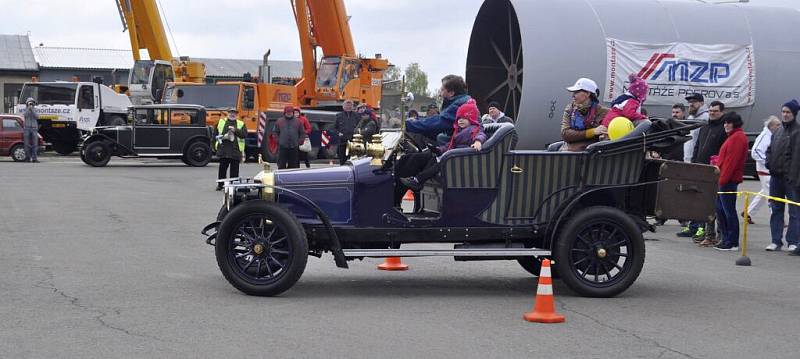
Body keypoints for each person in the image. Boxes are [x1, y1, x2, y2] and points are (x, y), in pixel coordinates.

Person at [399, 99, 486, 191]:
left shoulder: (475, 129)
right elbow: (451, 145)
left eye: (464, 118)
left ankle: (418, 180)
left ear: (471, 119)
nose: (460, 121)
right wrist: (439, 149)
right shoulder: (458, 131)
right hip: (454, 156)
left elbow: (481, 135)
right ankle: (418, 181)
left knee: (440, 163)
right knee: (433, 158)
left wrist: (477, 142)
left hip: (462, 159)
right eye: (459, 118)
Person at [678, 101, 726, 245]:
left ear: (722, 112)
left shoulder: (723, 129)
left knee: (716, 206)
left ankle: (720, 234)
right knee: (704, 204)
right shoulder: (705, 127)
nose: (712, 113)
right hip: (701, 169)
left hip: (715, 171)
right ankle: (707, 234)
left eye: (716, 111)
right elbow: (697, 146)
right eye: (711, 110)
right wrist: (694, 163)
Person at [765, 99, 800, 254]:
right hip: (775, 178)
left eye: (788, 112)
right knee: (776, 209)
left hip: (791, 180)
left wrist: (793, 177)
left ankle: (793, 241)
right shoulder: (778, 131)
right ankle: (775, 241)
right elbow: (770, 150)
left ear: (794, 114)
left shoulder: (798, 132)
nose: (785, 115)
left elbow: (797, 158)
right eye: (783, 111)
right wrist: (768, 164)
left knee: (794, 211)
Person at [713, 112, 748, 251]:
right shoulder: (734, 137)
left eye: (729, 122)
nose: (726, 125)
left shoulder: (737, 138)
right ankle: (727, 239)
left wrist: (721, 181)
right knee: (723, 211)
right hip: (725, 179)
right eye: (725, 122)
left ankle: (731, 241)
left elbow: (730, 163)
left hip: (727, 181)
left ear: (735, 123)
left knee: (728, 212)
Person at [406, 75, 471, 143]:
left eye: (442, 90)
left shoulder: (459, 105)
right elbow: (438, 121)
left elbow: (438, 122)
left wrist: (408, 124)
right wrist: (416, 121)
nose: (440, 93)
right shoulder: (461, 102)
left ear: (451, 93)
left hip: (454, 147)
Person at [746, 116, 781, 226]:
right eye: (777, 125)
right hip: (765, 170)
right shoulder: (764, 136)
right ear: (771, 126)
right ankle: (776, 218)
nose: (779, 126)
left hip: (769, 170)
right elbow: (755, 152)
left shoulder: (772, 136)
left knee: (764, 193)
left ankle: (748, 212)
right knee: (771, 193)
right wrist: (767, 162)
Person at [559, 78, 609, 151]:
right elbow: (565, 134)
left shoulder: (604, 112)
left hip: (589, 155)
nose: (573, 95)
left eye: (576, 92)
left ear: (588, 94)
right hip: (568, 152)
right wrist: (593, 132)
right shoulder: (569, 109)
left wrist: (605, 136)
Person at [214, 109, 246, 191]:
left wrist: (235, 130)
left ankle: (233, 186)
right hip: (223, 149)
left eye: (234, 113)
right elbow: (215, 135)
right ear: (228, 114)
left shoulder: (241, 123)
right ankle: (221, 185)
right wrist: (215, 146)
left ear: (237, 115)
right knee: (222, 169)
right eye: (231, 113)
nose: (232, 114)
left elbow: (244, 135)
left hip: (235, 150)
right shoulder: (221, 122)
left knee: (234, 170)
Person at [275, 105, 307, 169]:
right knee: (281, 165)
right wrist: (278, 141)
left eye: (290, 112)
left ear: (293, 112)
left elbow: (302, 133)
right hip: (283, 147)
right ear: (285, 112)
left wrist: (300, 142)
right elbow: (275, 132)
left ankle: (292, 178)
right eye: (287, 112)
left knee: (294, 166)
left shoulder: (298, 122)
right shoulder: (279, 121)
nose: (289, 113)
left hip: (294, 147)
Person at [683, 93, 709, 163]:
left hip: (698, 160)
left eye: (694, 101)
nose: (691, 104)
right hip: (687, 158)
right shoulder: (690, 117)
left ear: (702, 103)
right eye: (690, 102)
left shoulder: (707, 117)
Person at [335, 99, 359, 165]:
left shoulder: (357, 116)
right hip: (342, 141)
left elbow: (360, 126)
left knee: (352, 160)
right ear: (343, 106)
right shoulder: (339, 116)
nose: (348, 107)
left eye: (350, 105)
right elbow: (334, 128)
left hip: (353, 141)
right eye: (347, 105)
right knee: (342, 159)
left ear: (352, 107)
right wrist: (338, 133)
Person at [21, 97, 39, 163]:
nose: (31, 104)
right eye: (29, 102)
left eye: (32, 102)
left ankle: (34, 158)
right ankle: (27, 158)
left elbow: (37, 117)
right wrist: (28, 109)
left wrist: (32, 110)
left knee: (35, 144)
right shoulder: (25, 109)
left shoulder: (35, 109)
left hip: (34, 128)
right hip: (27, 128)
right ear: (27, 103)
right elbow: (24, 116)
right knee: (26, 144)